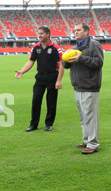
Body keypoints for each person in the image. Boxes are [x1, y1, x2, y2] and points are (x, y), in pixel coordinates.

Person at [63, 23, 104, 154]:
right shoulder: (74, 47)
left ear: (86, 31)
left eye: (78, 30)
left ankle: (93, 144)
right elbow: (67, 66)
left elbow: (99, 62)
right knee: (83, 116)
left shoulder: (94, 45)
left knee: (90, 116)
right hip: (78, 86)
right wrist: (66, 60)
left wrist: (81, 58)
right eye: (74, 30)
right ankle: (87, 140)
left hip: (90, 85)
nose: (75, 32)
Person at [15, 26, 64, 132]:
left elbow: (61, 65)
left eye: (42, 33)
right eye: (39, 33)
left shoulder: (55, 48)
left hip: (52, 77)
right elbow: (30, 62)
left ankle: (49, 124)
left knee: (51, 102)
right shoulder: (36, 47)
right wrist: (22, 71)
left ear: (48, 34)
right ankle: (33, 124)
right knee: (36, 100)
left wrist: (59, 80)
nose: (39, 35)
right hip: (40, 77)